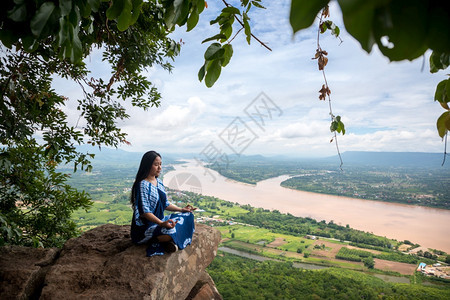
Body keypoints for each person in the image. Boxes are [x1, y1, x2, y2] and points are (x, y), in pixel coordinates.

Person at [130, 150, 196, 256]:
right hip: (146, 227)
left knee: (188, 215)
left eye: (160, 164)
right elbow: (144, 212)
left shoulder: (159, 182)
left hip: (160, 221)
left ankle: (166, 240)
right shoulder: (142, 185)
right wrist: (161, 224)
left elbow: (165, 204)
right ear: (147, 166)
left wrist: (181, 209)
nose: (160, 167)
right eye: (156, 165)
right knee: (171, 231)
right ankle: (158, 240)